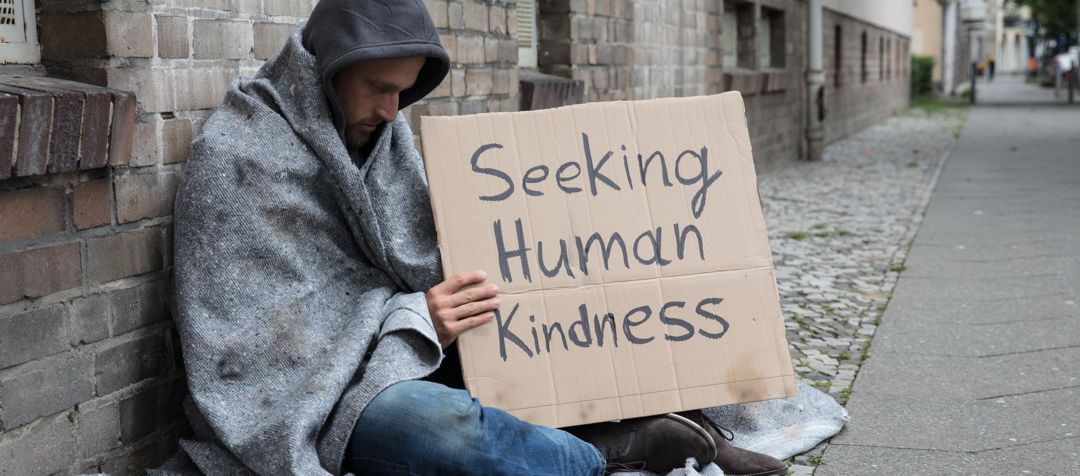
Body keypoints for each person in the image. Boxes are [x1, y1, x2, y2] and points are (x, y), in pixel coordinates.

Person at [169, 0, 789, 474]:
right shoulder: (239, 153)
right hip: (321, 404)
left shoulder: (383, 138)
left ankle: (662, 410)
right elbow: (254, 356)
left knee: (533, 332)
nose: (392, 110)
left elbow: (422, 260)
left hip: (400, 354)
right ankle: (611, 450)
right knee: (427, 427)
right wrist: (415, 320)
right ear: (326, 71)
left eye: (403, 91)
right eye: (378, 87)